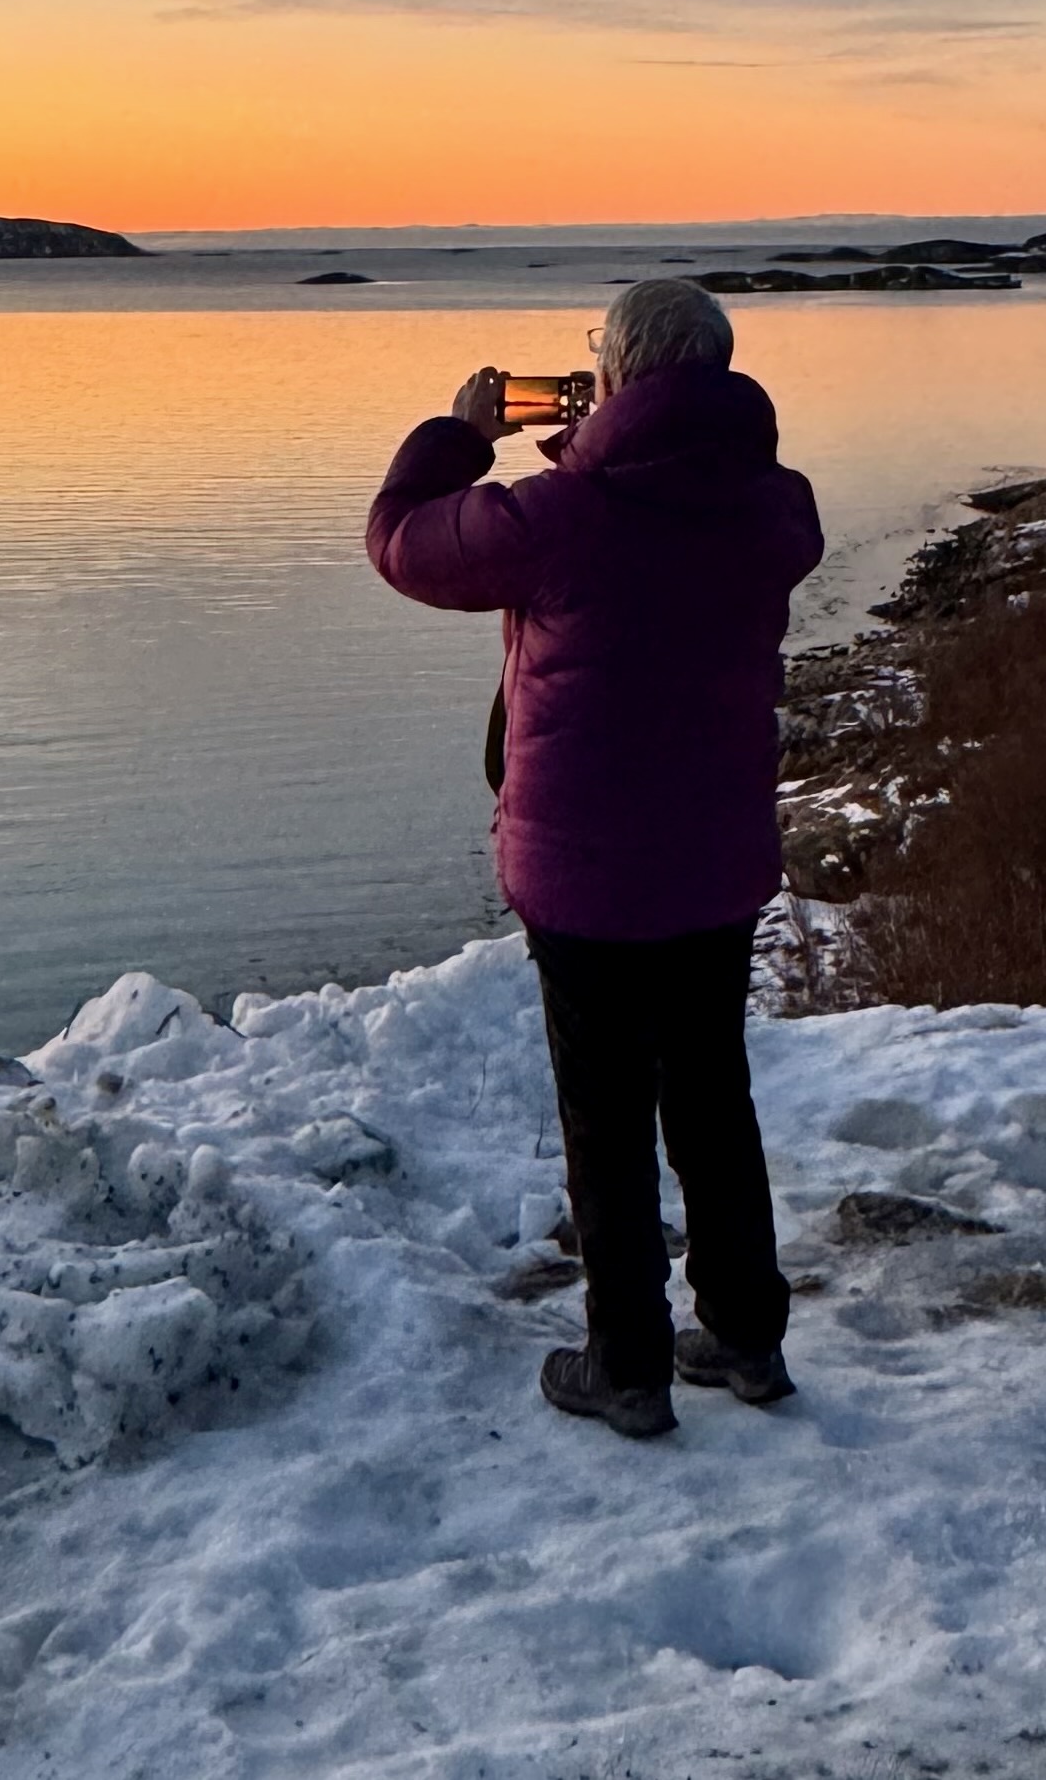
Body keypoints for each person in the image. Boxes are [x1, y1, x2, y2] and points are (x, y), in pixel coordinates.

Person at [366, 278, 824, 1438]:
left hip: (586, 872)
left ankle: (627, 1365)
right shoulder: (773, 507)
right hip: (717, 856)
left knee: (607, 1117)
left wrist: (461, 435)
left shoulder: (560, 519)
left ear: (617, 372)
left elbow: (405, 544)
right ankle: (747, 1335)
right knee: (712, 1096)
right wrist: (604, 446)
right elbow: (672, 505)